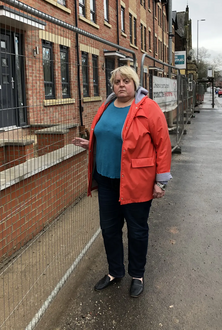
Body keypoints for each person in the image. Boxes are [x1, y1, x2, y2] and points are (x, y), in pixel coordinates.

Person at [72, 66, 172, 298]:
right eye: (117, 81)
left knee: (137, 232)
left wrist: (161, 181)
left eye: (126, 81)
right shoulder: (107, 106)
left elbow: (163, 145)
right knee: (109, 230)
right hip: (106, 181)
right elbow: (108, 137)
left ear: (135, 83)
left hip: (136, 183)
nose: (121, 85)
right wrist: (91, 145)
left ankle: (137, 275)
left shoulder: (148, 108)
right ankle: (115, 271)